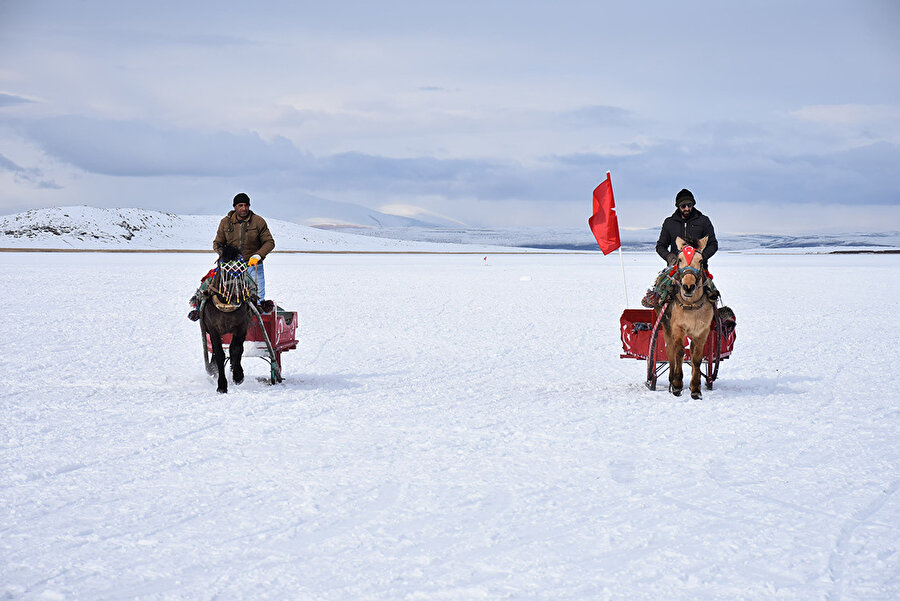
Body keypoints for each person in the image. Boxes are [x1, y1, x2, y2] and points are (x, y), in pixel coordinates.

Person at [642, 188, 719, 307]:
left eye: (689, 205)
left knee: (712, 295)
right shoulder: (669, 222)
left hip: (699, 269)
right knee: (661, 294)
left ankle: (715, 320)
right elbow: (660, 246)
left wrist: (702, 257)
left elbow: (713, 244)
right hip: (675, 269)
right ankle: (660, 318)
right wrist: (669, 257)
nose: (687, 208)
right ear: (678, 206)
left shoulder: (704, 221)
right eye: (683, 206)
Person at [213, 192, 275, 308]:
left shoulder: (258, 221)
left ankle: (258, 317)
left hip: (253, 265)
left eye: (246, 205)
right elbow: (217, 243)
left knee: (258, 298)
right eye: (240, 205)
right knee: (219, 292)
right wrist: (225, 255)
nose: (244, 208)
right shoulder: (225, 222)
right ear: (235, 207)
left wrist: (258, 255)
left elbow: (269, 242)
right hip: (231, 266)